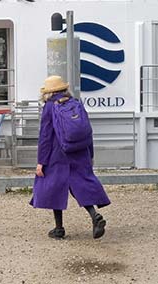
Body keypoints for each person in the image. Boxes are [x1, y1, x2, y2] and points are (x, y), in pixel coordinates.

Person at [30, 75, 111, 239]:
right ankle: (94, 216)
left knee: (54, 189)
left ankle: (59, 229)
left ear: (48, 92)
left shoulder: (49, 107)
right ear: (64, 89)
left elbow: (45, 136)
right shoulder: (75, 103)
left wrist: (41, 161)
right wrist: (90, 154)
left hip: (57, 154)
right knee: (79, 184)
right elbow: (88, 130)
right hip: (79, 151)